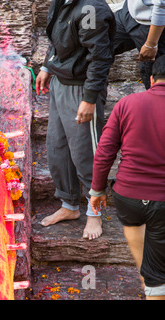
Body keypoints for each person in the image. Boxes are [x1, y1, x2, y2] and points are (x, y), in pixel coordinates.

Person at [35, 0, 116, 240]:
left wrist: (90, 98)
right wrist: (47, 66)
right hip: (61, 81)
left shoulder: (90, 8)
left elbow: (100, 57)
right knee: (57, 147)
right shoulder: (61, 1)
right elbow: (56, 41)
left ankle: (94, 211)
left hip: (81, 88)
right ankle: (69, 205)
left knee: (85, 153)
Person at [90, 55, 165, 300]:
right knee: (157, 272)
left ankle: (149, 282)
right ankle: (154, 286)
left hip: (127, 197)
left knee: (144, 248)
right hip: (161, 202)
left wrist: (97, 190)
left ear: (152, 79)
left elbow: (104, 152)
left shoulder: (126, 103)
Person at [111, 0, 165, 89]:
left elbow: (161, 4)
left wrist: (151, 44)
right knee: (97, 47)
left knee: (154, 78)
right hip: (129, 12)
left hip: (154, 23)